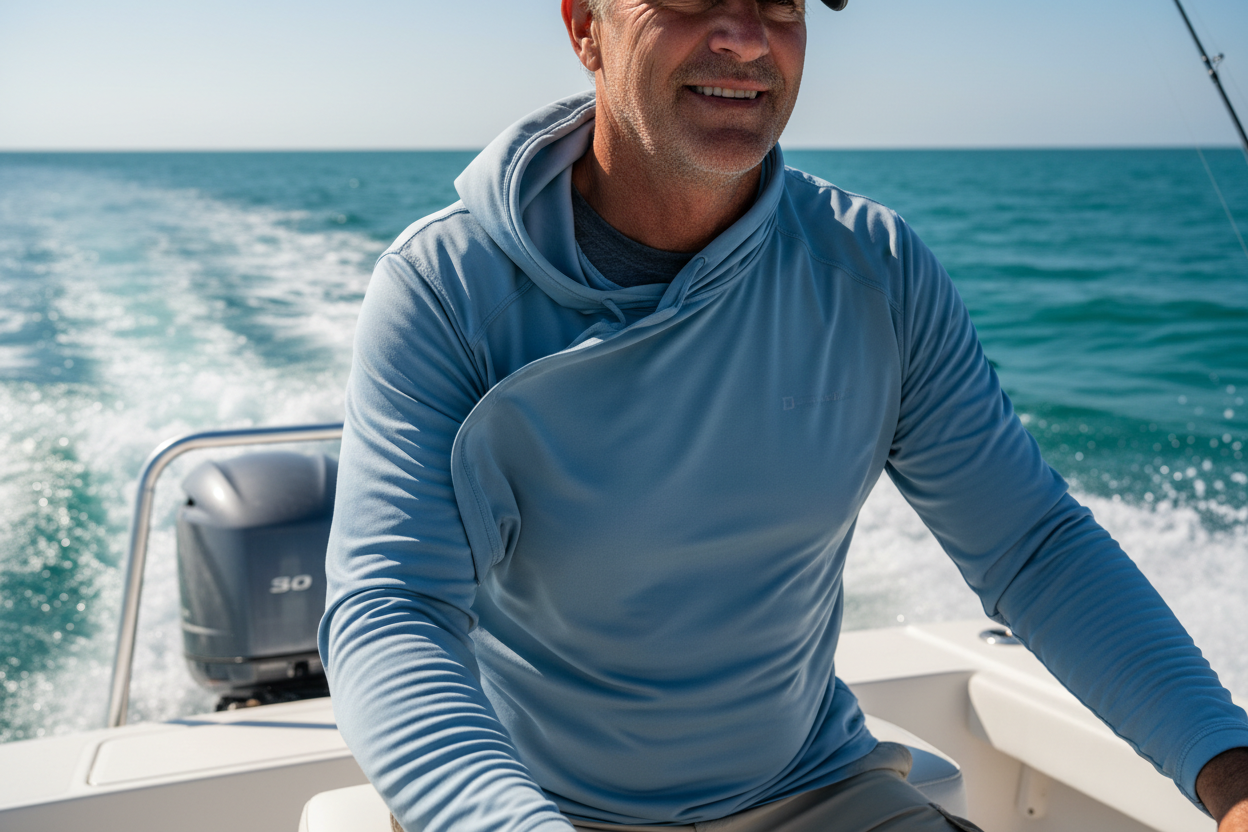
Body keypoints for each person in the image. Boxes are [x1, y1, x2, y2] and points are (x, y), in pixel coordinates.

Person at [319, 1, 1248, 830]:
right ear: (583, 28)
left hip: (816, 789)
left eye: (781, 1)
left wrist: (1231, 774)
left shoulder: (876, 269)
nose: (747, 36)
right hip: (527, 802)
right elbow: (391, 609)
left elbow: (1034, 548)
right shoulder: (444, 289)